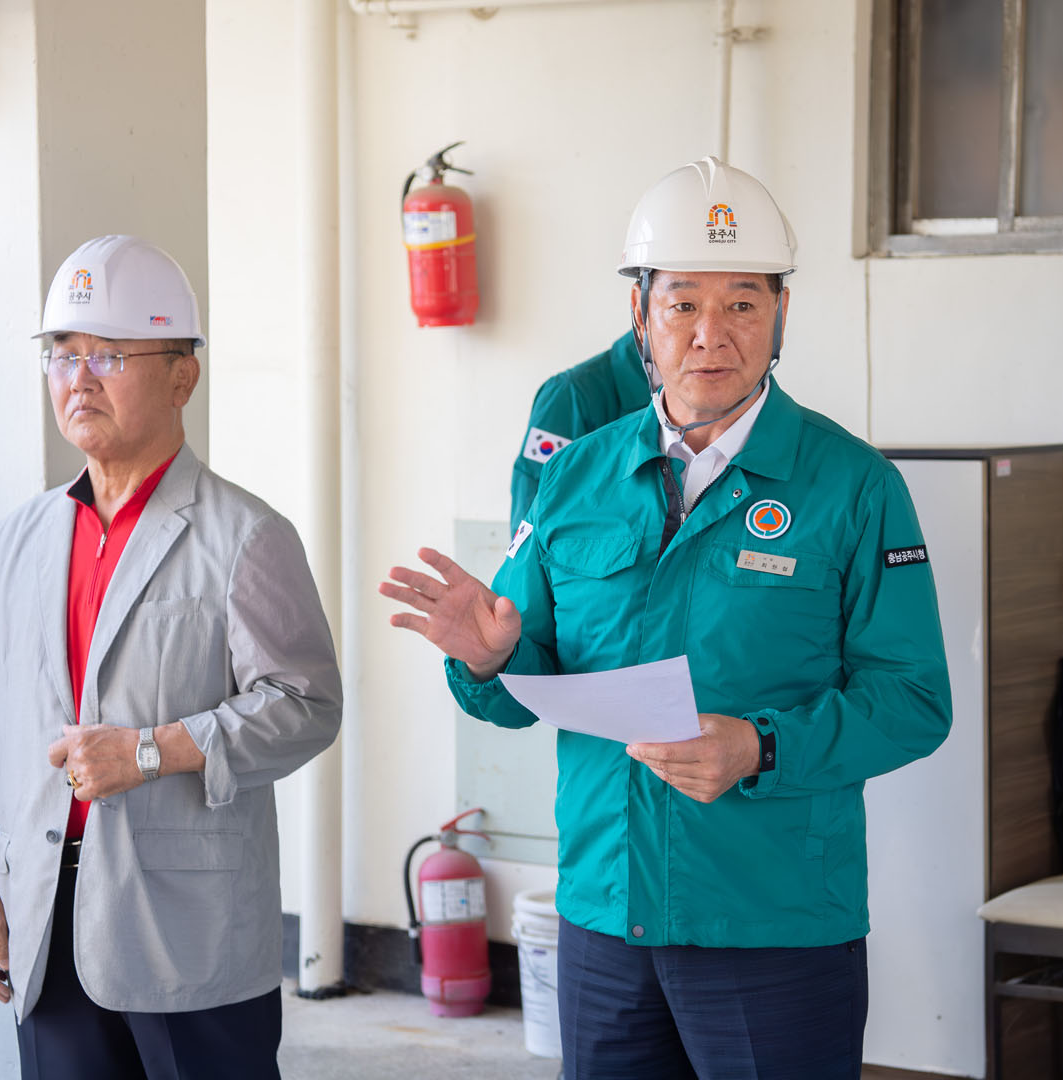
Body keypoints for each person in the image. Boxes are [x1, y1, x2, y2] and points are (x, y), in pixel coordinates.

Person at [382, 157, 952, 1078]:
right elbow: (519, 685)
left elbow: (915, 701)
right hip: (605, 911)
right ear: (640, 315)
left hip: (772, 920)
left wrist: (761, 747)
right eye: (682, 303)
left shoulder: (853, 487)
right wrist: (490, 658)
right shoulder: (578, 475)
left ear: (781, 314)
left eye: (742, 304)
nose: (710, 334)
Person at [0, 235, 343, 1078]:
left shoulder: (245, 536)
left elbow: (307, 704)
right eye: (63, 354)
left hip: (189, 934)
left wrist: (154, 750)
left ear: (182, 377)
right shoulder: (17, 540)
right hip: (45, 920)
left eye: (110, 356)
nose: (79, 379)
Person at [510, 330, 652, 529]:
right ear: (641, 315)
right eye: (682, 312)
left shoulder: (685, 397)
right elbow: (532, 517)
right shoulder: (569, 395)